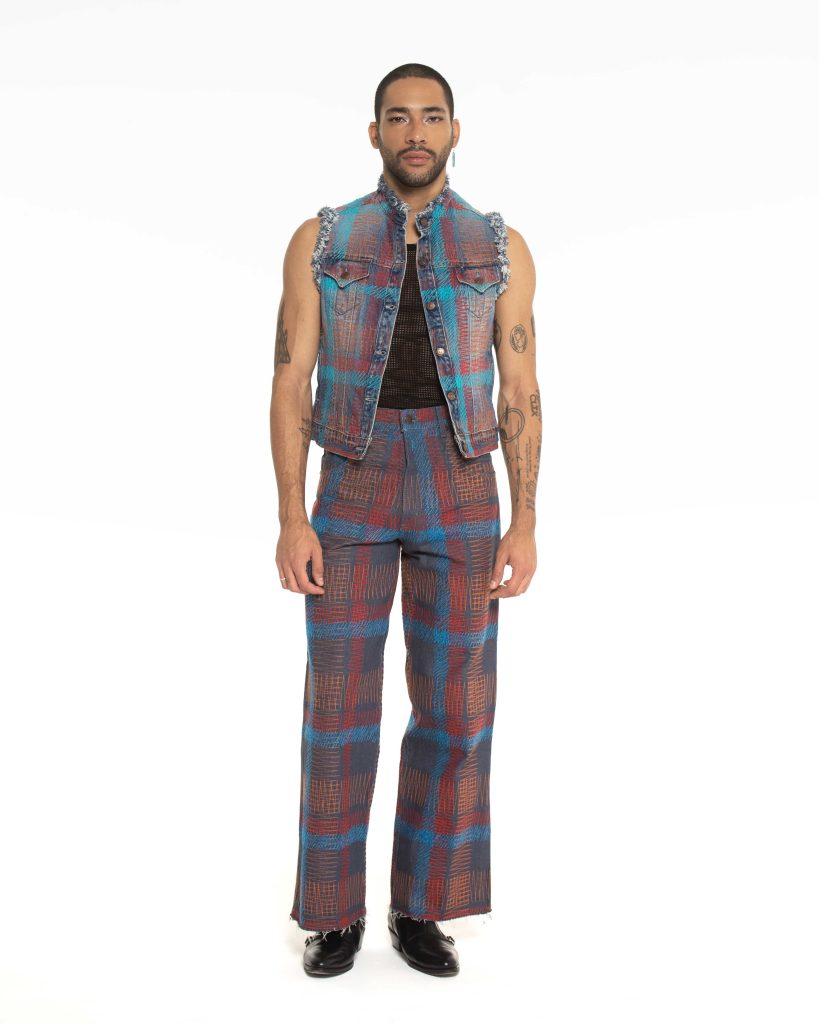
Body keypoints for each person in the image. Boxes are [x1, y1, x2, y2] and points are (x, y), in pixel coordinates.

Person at [269, 62, 540, 978]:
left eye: (431, 116)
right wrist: (290, 516)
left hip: (463, 481)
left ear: (455, 131)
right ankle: (333, 914)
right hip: (351, 472)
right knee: (338, 706)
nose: (415, 131)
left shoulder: (500, 246)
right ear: (374, 132)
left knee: (457, 706)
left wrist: (524, 521)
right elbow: (289, 380)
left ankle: (421, 906)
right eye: (397, 117)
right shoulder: (323, 238)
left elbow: (520, 387)